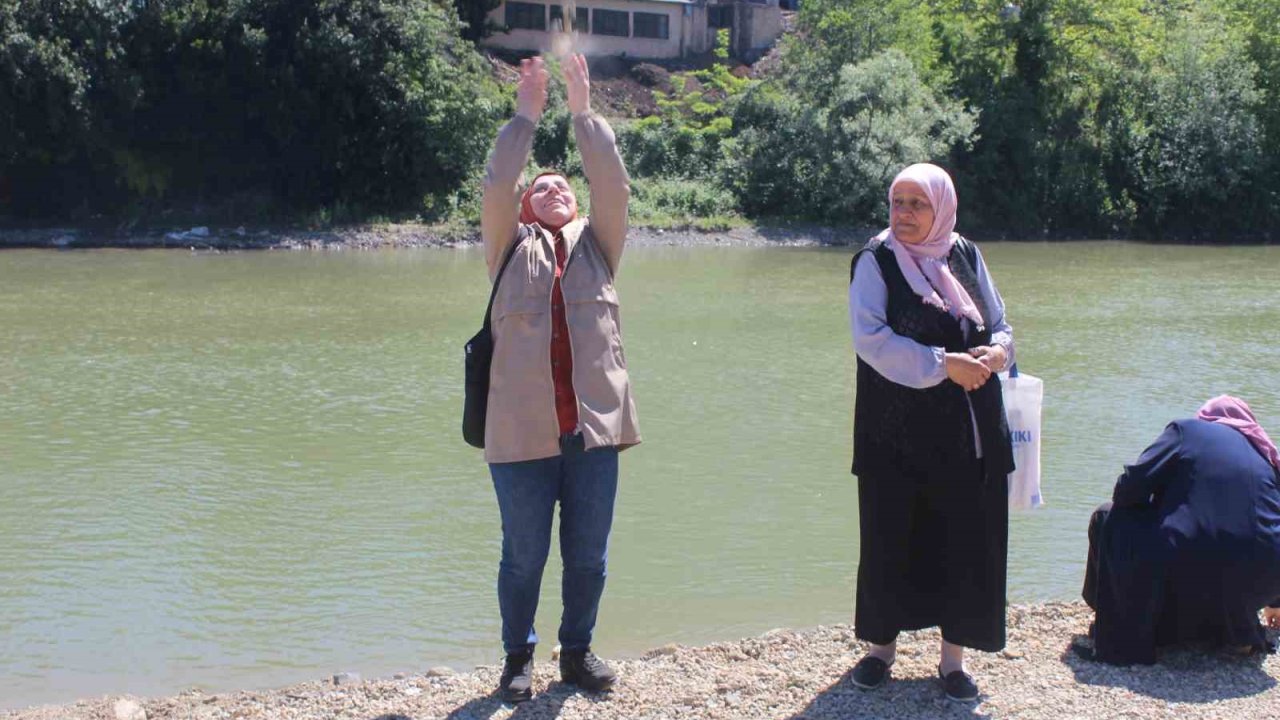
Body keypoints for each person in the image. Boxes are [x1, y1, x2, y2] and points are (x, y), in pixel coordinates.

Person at [478, 54, 641, 704]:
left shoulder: (600, 246)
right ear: (523, 206)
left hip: (593, 437)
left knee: (589, 558)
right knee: (523, 557)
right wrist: (526, 115)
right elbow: (495, 184)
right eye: (540, 187)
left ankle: (576, 653)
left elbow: (614, 187)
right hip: (520, 440)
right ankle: (518, 656)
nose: (554, 190)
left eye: (562, 186)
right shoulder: (505, 249)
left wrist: (582, 112)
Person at [847, 163, 1016, 702]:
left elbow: (1000, 320)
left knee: (965, 540)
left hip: (969, 433)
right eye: (898, 203)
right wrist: (946, 363)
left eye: (918, 204)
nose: (904, 215)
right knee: (890, 536)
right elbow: (870, 341)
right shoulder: (875, 261)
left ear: (941, 207)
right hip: (894, 433)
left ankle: (953, 661)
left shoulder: (963, 252)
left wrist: (999, 351)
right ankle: (880, 652)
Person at [1082, 396, 1280, 665]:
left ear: (1206, 417)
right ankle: (1232, 634)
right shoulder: (1264, 455)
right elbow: (1270, 527)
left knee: (1108, 517)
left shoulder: (1186, 431)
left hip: (1190, 568)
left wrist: (1160, 503)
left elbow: (1128, 489)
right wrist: (1275, 601)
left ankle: (1117, 628)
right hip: (1261, 581)